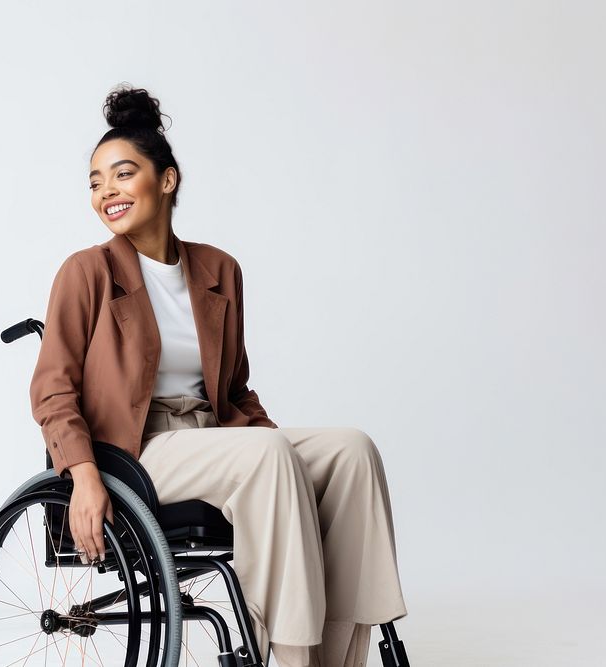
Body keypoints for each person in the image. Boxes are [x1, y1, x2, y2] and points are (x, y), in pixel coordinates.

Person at [30, 84, 408, 667]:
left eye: (123, 174)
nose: (107, 192)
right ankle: (291, 655)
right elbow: (52, 390)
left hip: (214, 434)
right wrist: (82, 476)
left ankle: (340, 655)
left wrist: (276, 443)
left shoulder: (218, 270)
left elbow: (233, 390)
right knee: (268, 459)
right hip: (137, 448)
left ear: (167, 180)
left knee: (351, 451)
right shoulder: (87, 273)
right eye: (96, 181)